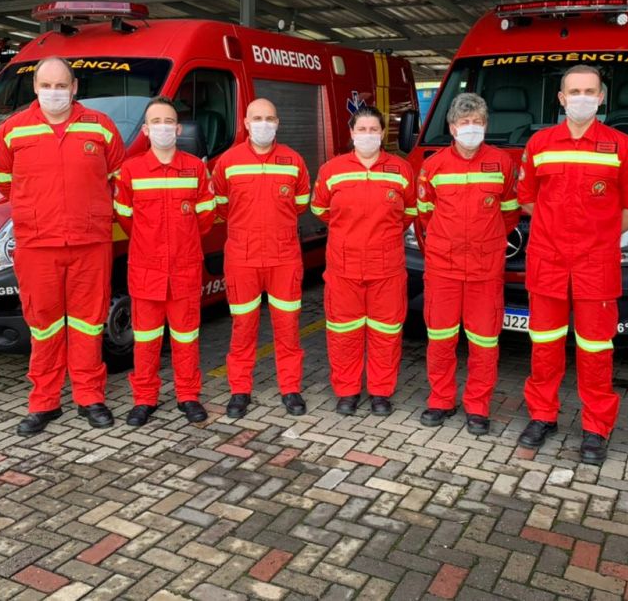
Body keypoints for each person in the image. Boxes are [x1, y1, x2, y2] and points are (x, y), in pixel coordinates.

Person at [516, 65, 628, 464]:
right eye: (574, 91)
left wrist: (602, 234)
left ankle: (596, 427)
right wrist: (555, 231)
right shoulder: (540, 143)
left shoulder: (621, 145)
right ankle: (542, 416)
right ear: (561, 98)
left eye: (589, 90)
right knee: (544, 345)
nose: (581, 97)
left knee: (596, 350)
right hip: (547, 262)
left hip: (596, 264)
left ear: (601, 97)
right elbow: (526, 198)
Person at [0, 57, 125, 435]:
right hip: (37, 244)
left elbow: (118, 178)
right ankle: (44, 402)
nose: (54, 92)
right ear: (35, 88)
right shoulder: (13, 131)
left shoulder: (101, 128)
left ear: (75, 87)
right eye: (46, 86)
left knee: (87, 324)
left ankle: (89, 397)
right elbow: (3, 182)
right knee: (44, 325)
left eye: (61, 85)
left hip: (89, 243)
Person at [416, 92, 520, 435]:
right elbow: (425, 215)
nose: (471, 128)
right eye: (465, 123)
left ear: (486, 125)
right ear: (451, 127)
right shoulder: (433, 166)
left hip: (484, 269)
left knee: (484, 342)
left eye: (477, 122)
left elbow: (509, 214)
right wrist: (449, 242)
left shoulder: (502, 163)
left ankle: (478, 406)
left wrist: (484, 243)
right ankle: (441, 400)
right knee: (441, 338)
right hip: (443, 267)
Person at [113, 98, 215, 426]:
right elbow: (126, 218)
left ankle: (188, 396)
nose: (163, 128)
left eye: (168, 121)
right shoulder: (131, 170)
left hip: (184, 268)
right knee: (146, 339)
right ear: (145, 130)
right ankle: (145, 398)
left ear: (179, 128)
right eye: (156, 122)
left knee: (186, 337)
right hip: (147, 270)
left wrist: (180, 244)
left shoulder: (195, 168)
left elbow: (205, 218)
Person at [311, 107, 416, 415]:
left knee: (385, 333)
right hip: (344, 267)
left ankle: (381, 392)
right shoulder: (333, 170)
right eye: (362, 129)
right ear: (352, 133)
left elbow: (410, 211)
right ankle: (348, 391)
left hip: (387, 268)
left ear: (382, 133)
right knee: (345, 334)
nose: (368, 134)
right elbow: (320, 209)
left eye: (373, 129)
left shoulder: (401, 170)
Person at [211, 98, 311, 419]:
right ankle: (240, 390)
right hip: (242, 258)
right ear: (245, 123)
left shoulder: (294, 161)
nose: (263, 124)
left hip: (284, 258)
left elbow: (300, 205)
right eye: (257, 118)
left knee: (288, 327)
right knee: (243, 327)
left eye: (270, 118)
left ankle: (290, 388)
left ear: (278, 123)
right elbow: (222, 207)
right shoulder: (228, 161)